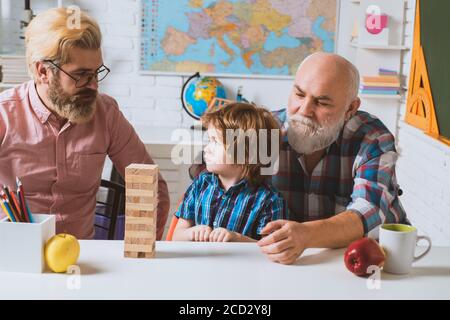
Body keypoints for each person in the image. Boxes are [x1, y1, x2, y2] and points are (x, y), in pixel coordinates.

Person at [0, 8, 169, 239]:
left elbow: (151, 186)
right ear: (43, 72)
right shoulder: (4, 114)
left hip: (82, 257)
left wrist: (141, 253)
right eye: (81, 75)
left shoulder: (106, 113)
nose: (94, 86)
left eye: (96, 72)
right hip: (15, 256)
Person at [257, 52, 408, 264]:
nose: (304, 111)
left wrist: (305, 235)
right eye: (299, 95)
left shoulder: (372, 138)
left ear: (350, 108)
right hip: (288, 264)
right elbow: (207, 176)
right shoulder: (263, 130)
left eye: (322, 103)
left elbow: (368, 210)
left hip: (370, 260)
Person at [172, 102, 287, 242]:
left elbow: (271, 248)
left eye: (215, 141)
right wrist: (192, 233)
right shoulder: (200, 185)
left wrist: (237, 239)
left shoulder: (269, 200)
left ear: (246, 153)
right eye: (209, 140)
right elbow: (176, 236)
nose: (207, 149)